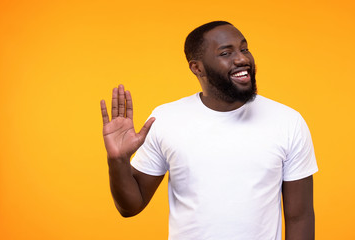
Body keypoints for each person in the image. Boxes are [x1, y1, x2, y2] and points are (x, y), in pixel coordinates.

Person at [100, 21, 318, 240]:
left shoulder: (287, 121)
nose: (242, 59)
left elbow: (300, 217)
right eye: (226, 53)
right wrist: (117, 160)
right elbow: (130, 207)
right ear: (197, 67)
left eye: (244, 49)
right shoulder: (166, 119)